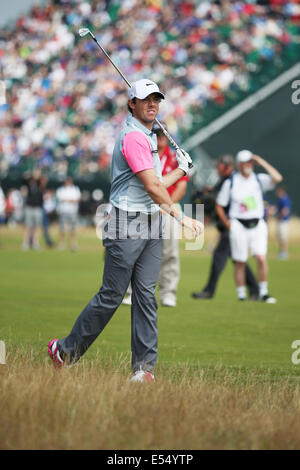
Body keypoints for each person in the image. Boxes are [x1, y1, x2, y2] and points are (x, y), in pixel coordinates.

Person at [48, 78, 202, 382]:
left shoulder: (147, 137)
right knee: (112, 295)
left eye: (156, 99)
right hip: (127, 223)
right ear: (132, 103)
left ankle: (143, 370)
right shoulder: (132, 137)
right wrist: (181, 217)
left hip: (151, 221)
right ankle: (64, 350)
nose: (152, 104)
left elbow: (156, 184)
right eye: (145, 99)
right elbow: (152, 186)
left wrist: (181, 170)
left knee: (146, 296)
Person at [123, 122, 189, 308]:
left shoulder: (175, 157)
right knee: (135, 251)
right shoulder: (145, 153)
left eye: (162, 134)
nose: (159, 137)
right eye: (156, 133)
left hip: (168, 208)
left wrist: (166, 205)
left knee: (169, 252)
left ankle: (168, 292)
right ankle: (130, 291)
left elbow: (182, 187)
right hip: (144, 206)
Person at [215, 150, 282, 303]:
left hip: (257, 223)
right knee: (240, 260)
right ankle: (241, 294)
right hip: (238, 223)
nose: (249, 165)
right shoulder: (231, 182)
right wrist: (228, 223)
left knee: (261, 257)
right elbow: (219, 205)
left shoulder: (258, 179)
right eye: (246, 162)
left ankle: (264, 293)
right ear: (239, 164)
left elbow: (277, 178)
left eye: (251, 162)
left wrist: (261, 161)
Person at [192, 155, 259, 300]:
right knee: (238, 260)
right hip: (228, 227)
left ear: (228, 166)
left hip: (232, 227)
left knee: (219, 258)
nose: (217, 168)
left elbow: (223, 201)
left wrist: (209, 196)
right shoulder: (224, 181)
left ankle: (209, 291)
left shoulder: (232, 181)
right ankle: (255, 290)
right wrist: (206, 192)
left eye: (220, 165)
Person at [56, 177, 81, 251]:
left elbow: (77, 200)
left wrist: (68, 200)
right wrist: (70, 200)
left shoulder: (75, 189)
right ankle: (62, 244)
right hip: (63, 211)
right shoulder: (61, 189)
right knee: (62, 228)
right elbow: (60, 199)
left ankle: (73, 244)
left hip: (72, 211)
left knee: (73, 229)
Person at [22, 169, 44, 251]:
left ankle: (35, 243)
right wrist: (30, 176)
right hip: (29, 206)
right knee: (28, 226)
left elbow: (42, 185)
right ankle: (26, 243)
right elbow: (23, 180)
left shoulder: (40, 182)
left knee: (37, 226)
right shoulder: (29, 182)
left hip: (38, 207)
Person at [275, 186, 292, 260]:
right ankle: (281, 252)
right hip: (281, 221)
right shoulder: (280, 199)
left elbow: (285, 210)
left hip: (283, 221)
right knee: (280, 237)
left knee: (283, 237)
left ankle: (284, 253)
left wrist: (280, 216)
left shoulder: (284, 199)